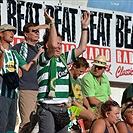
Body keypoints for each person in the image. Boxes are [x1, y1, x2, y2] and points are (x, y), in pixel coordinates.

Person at [37, 11, 90, 133]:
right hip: (47, 106)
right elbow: (53, 45)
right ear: (47, 45)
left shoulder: (64, 58)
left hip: (63, 108)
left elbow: (82, 48)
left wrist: (85, 27)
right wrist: (52, 23)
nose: (59, 46)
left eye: (61, 44)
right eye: (57, 43)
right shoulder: (44, 59)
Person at [11, 9, 52, 133]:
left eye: (38, 31)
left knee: (38, 122)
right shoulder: (18, 48)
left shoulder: (42, 47)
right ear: (26, 34)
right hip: (27, 89)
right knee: (27, 123)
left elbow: (52, 32)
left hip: (42, 90)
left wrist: (43, 26)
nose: (37, 33)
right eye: (33, 31)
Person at [0, 23, 43, 133]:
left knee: (11, 125)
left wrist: (38, 54)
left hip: (13, 94)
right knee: (2, 124)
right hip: (1, 93)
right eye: (9, 31)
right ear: (1, 34)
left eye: (13, 32)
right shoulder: (3, 51)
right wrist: (3, 53)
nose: (12, 33)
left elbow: (27, 67)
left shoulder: (14, 53)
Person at [68, 57, 94, 131]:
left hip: (80, 107)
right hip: (73, 107)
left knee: (97, 118)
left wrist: (88, 108)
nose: (81, 74)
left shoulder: (78, 80)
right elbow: (73, 101)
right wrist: (86, 110)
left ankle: (81, 129)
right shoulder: (67, 78)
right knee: (92, 117)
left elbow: (83, 96)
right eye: (80, 71)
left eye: (83, 72)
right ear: (74, 66)